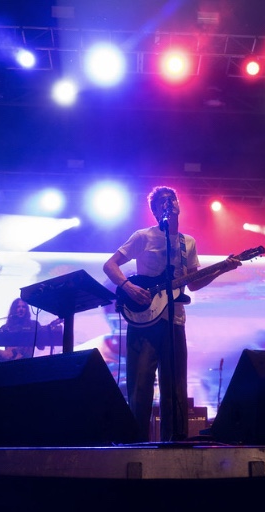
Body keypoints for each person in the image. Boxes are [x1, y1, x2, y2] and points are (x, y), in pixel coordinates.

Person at [103, 186, 242, 442]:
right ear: (155, 211)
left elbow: (193, 283)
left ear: (178, 204)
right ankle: (135, 446)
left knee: (175, 388)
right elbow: (110, 265)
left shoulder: (188, 242)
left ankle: (175, 447)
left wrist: (222, 269)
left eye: (172, 200)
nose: (169, 204)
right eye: (162, 202)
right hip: (144, 321)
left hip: (175, 320)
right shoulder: (143, 236)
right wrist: (128, 287)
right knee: (140, 387)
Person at [0, 298, 62, 362]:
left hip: (26, 363)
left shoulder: (34, 325)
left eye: (23, 307)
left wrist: (46, 332)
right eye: (18, 307)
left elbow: (41, 347)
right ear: (14, 310)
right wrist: (3, 353)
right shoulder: (6, 327)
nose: (21, 309)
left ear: (26, 310)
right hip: (8, 364)